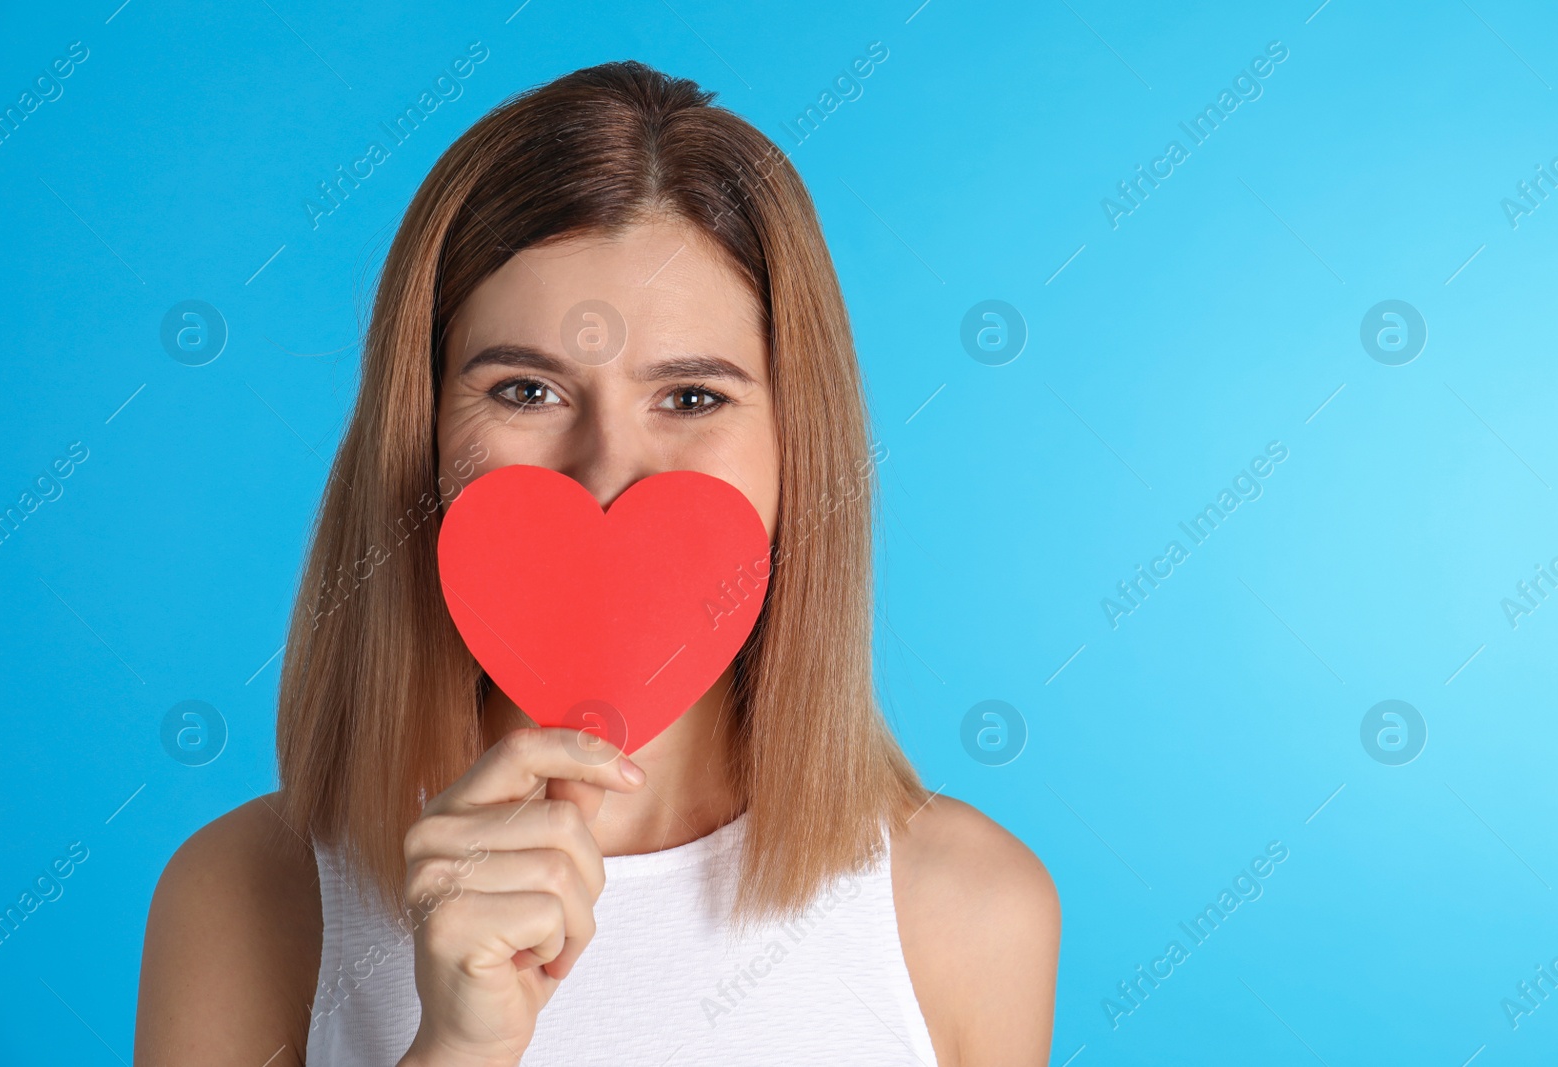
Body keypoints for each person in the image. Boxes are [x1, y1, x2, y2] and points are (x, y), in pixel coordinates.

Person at [135, 60, 1060, 1066]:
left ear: (798, 444)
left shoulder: (970, 908)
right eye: (526, 390)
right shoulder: (247, 892)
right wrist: (458, 1045)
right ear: (427, 434)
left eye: (693, 396)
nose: (606, 471)